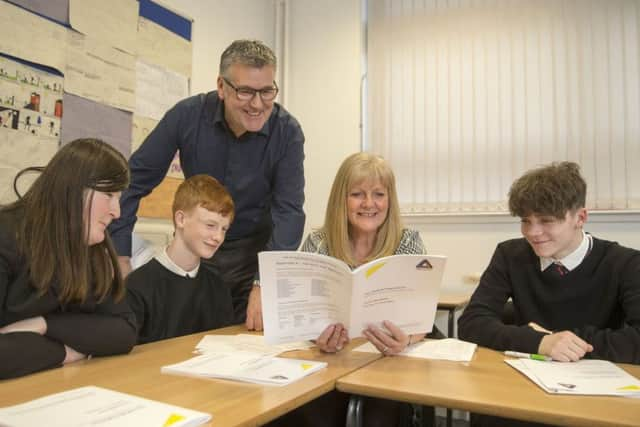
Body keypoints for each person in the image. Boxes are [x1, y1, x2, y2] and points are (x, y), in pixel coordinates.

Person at [109, 39, 305, 328]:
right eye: (246, 91)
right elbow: (133, 181)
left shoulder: (287, 132)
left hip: (254, 256)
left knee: (246, 341)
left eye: (267, 91)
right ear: (222, 87)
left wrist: (265, 283)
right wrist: (120, 253)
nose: (258, 104)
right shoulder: (187, 116)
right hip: (196, 251)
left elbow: (289, 212)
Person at [458, 162, 640, 426]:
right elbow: (471, 323)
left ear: (580, 217)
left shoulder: (626, 263)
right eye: (525, 221)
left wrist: (567, 343)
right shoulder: (510, 255)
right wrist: (540, 343)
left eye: (546, 221)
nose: (533, 232)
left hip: (594, 393)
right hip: (524, 385)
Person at [269, 152, 434, 427]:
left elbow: (421, 316)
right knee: (302, 416)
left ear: (389, 200)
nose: (369, 204)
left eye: (379, 194)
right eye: (357, 194)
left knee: (380, 419)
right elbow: (303, 311)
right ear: (341, 200)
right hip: (332, 362)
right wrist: (316, 337)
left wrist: (405, 339)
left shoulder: (408, 243)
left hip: (387, 363)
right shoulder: (318, 243)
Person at [0, 138, 136, 380]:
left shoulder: (92, 245)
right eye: (109, 195)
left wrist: (44, 325)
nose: (117, 212)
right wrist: (66, 351)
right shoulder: (6, 234)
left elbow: (124, 330)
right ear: (73, 190)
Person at [126, 175, 235, 344]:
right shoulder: (137, 287)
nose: (218, 237)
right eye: (210, 225)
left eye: (224, 229)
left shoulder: (218, 287)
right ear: (181, 219)